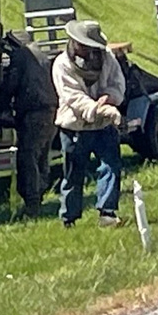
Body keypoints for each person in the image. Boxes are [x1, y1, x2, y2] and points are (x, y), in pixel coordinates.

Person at [51, 19, 126, 228]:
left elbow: (118, 83)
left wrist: (110, 97)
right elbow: (72, 97)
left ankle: (107, 213)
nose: (86, 49)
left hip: (104, 126)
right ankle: (69, 219)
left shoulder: (107, 58)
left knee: (111, 166)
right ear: (75, 42)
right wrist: (98, 108)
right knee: (74, 174)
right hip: (74, 127)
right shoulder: (62, 65)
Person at [0, 32, 58, 218]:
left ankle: (32, 205)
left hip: (34, 113)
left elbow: (11, 84)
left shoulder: (22, 55)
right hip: (51, 110)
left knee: (27, 157)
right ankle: (39, 196)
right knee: (41, 156)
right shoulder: (42, 54)